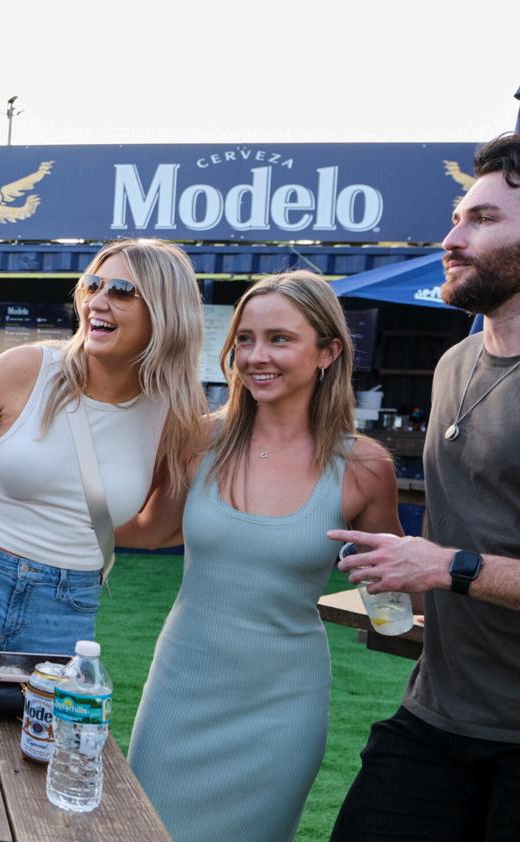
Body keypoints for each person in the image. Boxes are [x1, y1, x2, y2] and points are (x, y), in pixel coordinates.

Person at [116, 271, 401, 842]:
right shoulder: (198, 440)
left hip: (283, 708)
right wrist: (46, 504)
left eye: (279, 339)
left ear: (328, 352)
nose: (255, 356)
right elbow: (148, 532)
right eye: (245, 339)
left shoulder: (365, 466)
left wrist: (395, 586)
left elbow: (395, 591)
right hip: (181, 688)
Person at [329, 133, 520, 841]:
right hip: (437, 712)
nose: (451, 239)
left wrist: (447, 567)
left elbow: (451, 561)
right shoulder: (453, 365)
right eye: (456, 217)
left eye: (483, 220)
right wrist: (403, 573)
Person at [0, 238, 207, 655]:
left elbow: (154, 529)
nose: (97, 302)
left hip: (67, 603)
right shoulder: (27, 368)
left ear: (166, 311)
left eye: (122, 291)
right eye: (93, 285)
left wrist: (69, 534)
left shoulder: (176, 413)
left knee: (45, 705)